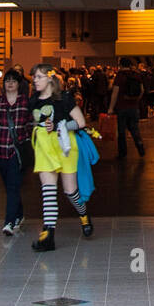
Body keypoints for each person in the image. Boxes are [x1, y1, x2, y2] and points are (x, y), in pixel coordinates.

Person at [28, 63, 93, 251]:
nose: (35, 80)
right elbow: (35, 122)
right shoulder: (33, 100)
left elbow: (80, 122)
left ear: (49, 78)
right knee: (48, 191)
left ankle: (84, 215)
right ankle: (48, 234)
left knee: (70, 192)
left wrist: (59, 125)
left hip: (65, 147)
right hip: (44, 148)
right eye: (34, 77)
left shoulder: (64, 99)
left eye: (39, 77)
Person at [0, 69, 32, 236]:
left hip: (17, 151)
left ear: (19, 84)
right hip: (0, 149)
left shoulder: (26, 102)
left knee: (13, 185)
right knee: (9, 186)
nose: (10, 83)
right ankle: (18, 215)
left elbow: (32, 123)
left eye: (13, 81)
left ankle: (9, 222)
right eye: (7, 81)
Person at [108, 57, 146, 158]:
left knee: (121, 131)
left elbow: (115, 93)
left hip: (122, 107)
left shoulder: (119, 76)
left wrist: (111, 108)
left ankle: (123, 152)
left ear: (120, 65)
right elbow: (142, 90)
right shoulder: (137, 75)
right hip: (134, 106)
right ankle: (140, 145)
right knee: (134, 128)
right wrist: (136, 99)